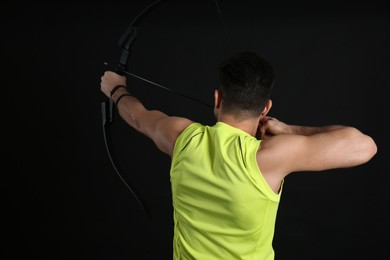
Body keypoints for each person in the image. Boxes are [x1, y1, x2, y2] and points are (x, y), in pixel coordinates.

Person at [100, 51, 377, 260]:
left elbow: (136, 116)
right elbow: (364, 146)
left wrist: (116, 88)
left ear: (218, 98)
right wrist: (290, 129)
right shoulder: (270, 157)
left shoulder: (180, 136)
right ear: (265, 108)